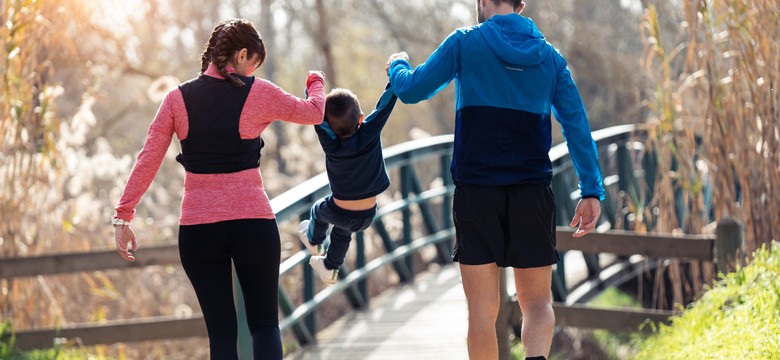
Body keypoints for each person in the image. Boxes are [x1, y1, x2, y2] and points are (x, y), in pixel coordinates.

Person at [386, 1, 604, 359]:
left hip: (476, 194)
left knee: (481, 314)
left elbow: (411, 90)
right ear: (521, 4)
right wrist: (591, 189)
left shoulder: (464, 43)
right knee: (536, 303)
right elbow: (577, 125)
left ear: (483, 2)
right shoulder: (550, 58)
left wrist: (397, 64)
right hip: (532, 193)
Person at [112, 19, 326, 360]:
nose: (253, 71)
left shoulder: (176, 99)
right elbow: (315, 113)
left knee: (222, 336)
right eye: (253, 64)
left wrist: (123, 217)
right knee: (265, 326)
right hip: (252, 224)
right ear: (242, 55)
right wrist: (316, 81)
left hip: (198, 231)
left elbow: (148, 158)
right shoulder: (258, 92)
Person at [297, 84, 398, 284]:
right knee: (342, 232)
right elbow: (384, 106)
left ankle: (314, 242)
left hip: (339, 212)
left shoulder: (330, 143)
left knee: (318, 211)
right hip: (368, 215)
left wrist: (312, 90)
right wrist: (395, 71)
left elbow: (318, 118)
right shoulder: (370, 132)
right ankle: (330, 266)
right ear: (360, 118)